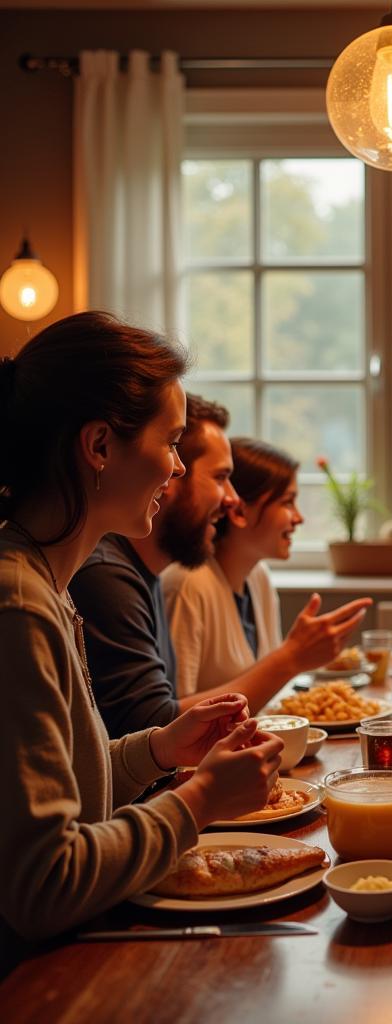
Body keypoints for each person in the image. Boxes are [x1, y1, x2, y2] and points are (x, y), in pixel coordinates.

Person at [0, 311, 284, 954]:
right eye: (173, 441)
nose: (179, 468)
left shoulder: (44, 579)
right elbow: (44, 885)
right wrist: (204, 800)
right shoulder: (19, 606)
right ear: (99, 447)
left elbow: (62, 792)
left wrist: (156, 749)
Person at [71, 396, 371, 737]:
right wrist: (290, 658)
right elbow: (156, 728)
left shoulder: (145, 572)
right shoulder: (111, 576)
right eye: (219, 478)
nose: (231, 500)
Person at [163, 438, 301, 695]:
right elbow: (173, 716)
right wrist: (294, 656)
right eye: (287, 502)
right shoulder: (188, 585)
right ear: (239, 511)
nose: (298, 518)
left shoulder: (258, 576)